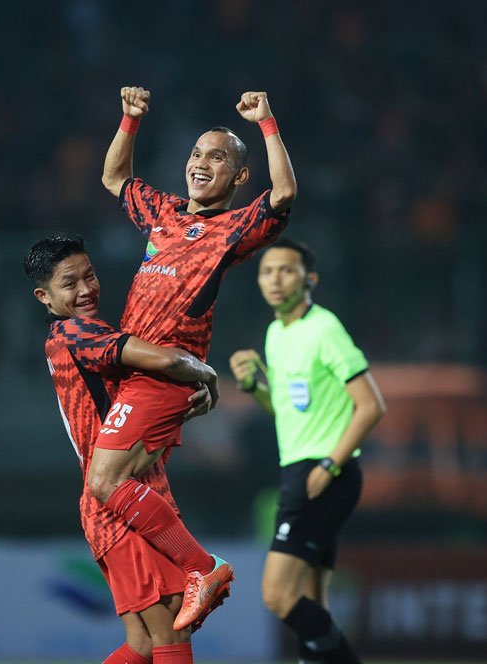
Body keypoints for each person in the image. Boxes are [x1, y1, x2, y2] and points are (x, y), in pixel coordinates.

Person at [96, 85, 297, 631]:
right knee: (133, 491)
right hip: (131, 375)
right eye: (196, 153)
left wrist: (267, 122)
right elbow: (115, 178)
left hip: (165, 373)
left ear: (237, 178)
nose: (201, 162)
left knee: (106, 482)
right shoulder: (161, 213)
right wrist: (129, 121)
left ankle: (203, 568)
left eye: (217, 156)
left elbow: (283, 193)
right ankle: (173, 584)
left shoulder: (232, 229)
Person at [27, 234, 222, 664]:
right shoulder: (77, 332)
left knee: (144, 643)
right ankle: (203, 565)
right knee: (172, 629)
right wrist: (206, 376)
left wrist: (186, 405)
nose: (85, 290)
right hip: (121, 501)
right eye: (69, 283)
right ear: (44, 296)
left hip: (113, 500)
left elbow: (132, 409)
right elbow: (169, 361)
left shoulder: (68, 338)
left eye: (90, 276)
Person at [229, 237, 386, 664]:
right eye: (266, 271)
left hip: (322, 474)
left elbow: (372, 406)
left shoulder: (324, 328)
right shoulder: (277, 333)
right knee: (313, 599)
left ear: (309, 279)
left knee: (278, 595)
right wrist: (252, 387)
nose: (275, 279)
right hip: (299, 471)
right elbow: (283, 408)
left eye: (286, 270)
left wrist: (330, 464)